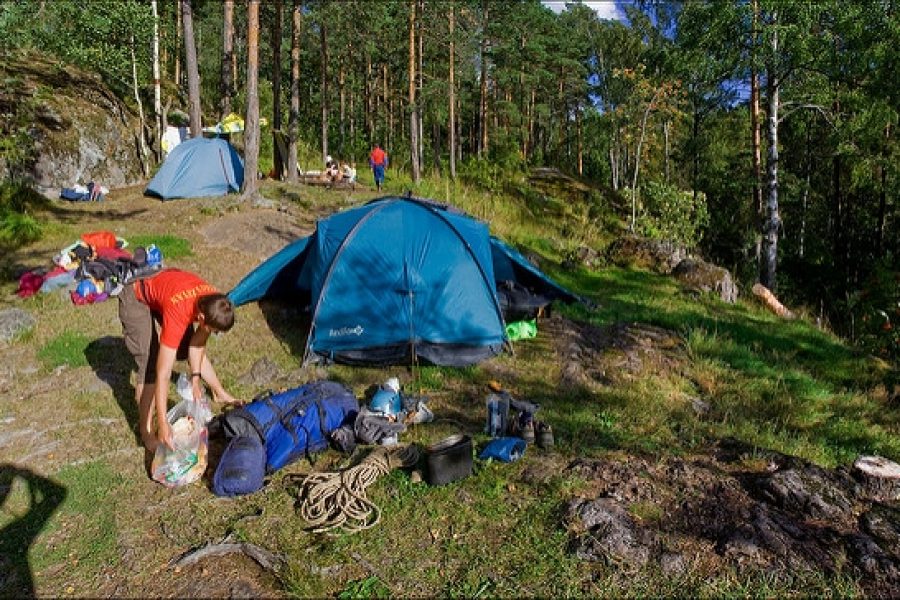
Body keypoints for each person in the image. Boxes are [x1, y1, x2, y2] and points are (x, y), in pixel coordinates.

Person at [118, 268, 241, 454]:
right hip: (135, 295)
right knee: (151, 365)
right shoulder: (179, 312)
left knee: (184, 349)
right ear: (200, 317)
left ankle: (219, 392)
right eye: (214, 330)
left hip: (164, 291)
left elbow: (197, 345)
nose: (214, 334)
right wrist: (163, 421)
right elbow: (164, 373)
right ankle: (146, 431)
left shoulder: (214, 301)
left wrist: (196, 378)